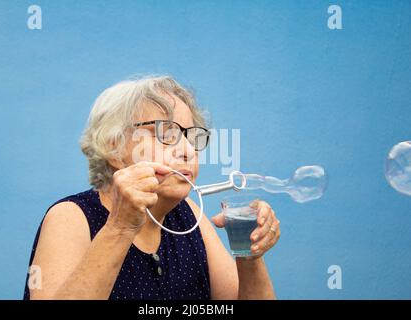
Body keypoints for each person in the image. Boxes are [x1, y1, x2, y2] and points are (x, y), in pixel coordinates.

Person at [24, 75, 280, 300]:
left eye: (192, 137)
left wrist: (249, 253)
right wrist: (121, 226)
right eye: (167, 134)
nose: (188, 151)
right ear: (114, 146)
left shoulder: (189, 215)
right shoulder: (70, 217)